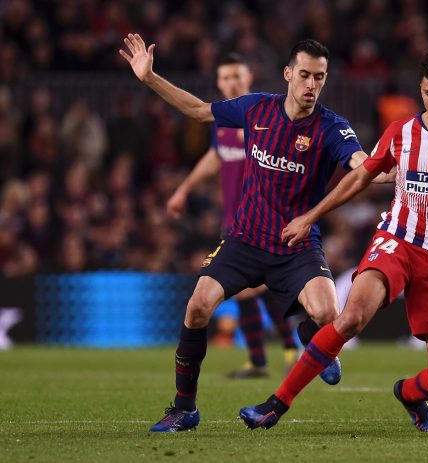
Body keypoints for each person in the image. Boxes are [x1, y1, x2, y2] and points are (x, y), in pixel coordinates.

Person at [239, 50, 428, 432]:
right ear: (421, 91)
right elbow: (358, 179)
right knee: (352, 317)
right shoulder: (401, 133)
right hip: (396, 243)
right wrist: (311, 216)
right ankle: (276, 403)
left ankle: (407, 394)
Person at [119, 34, 390, 432]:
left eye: (320, 77)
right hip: (244, 239)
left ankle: (315, 339)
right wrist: (150, 78)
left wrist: (404, 171)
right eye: (304, 75)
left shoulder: (332, 127)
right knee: (197, 307)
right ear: (287, 74)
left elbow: (363, 165)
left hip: (296, 245)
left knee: (329, 314)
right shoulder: (256, 108)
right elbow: (197, 111)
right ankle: (184, 408)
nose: (311, 85)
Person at [165, 52, 300, 378]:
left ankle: (284, 351)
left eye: (237, 76)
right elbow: (215, 156)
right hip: (235, 219)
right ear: (218, 83)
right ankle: (277, 354)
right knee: (249, 289)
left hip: (265, 219)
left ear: (249, 78)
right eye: (225, 77)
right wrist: (184, 188)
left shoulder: (266, 118)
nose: (231, 83)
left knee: (251, 287)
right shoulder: (224, 121)